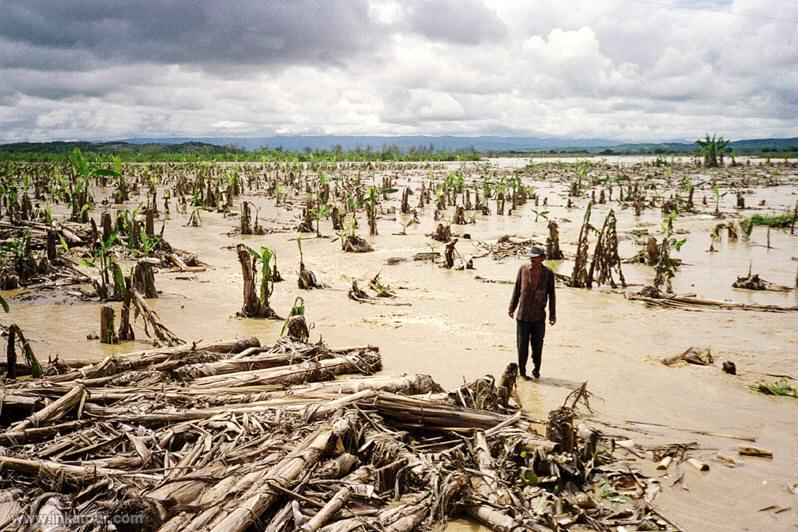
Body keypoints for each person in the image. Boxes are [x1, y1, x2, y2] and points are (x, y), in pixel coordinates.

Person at [508, 246, 556, 379]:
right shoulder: (523, 270)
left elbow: (552, 295)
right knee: (522, 347)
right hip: (522, 316)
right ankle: (522, 372)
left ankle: (536, 370)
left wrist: (552, 315)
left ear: (542, 259)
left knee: (537, 347)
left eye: (535, 258)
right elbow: (517, 289)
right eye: (531, 257)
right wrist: (512, 307)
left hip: (538, 318)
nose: (532, 260)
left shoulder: (548, 274)